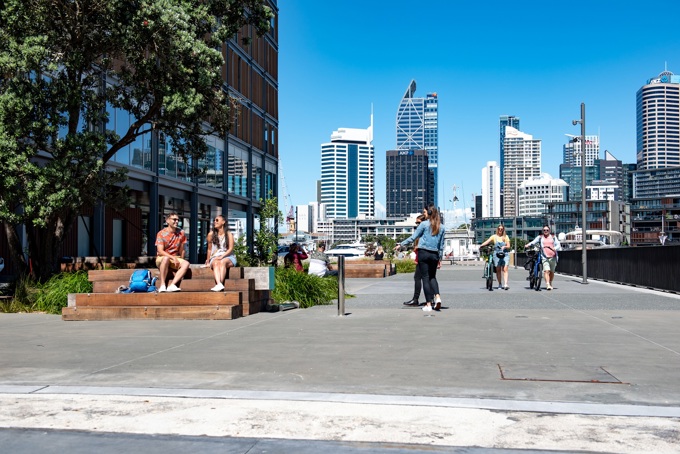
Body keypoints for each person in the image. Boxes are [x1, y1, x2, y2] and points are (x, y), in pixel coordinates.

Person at [395, 206, 445, 312]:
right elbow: (441, 245)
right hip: (434, 254)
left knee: (425, 278)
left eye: (425, 212)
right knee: (432, 277)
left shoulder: (424, 224)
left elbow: (413, 237)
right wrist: (440, 258)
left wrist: (401, 244)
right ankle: (437, 297)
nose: (424, 214)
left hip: (424, 253)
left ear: (429, 212)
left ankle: (428, 304)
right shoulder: (442, 227)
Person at [155, 212, 190, 292]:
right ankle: (162, 285)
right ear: (167, 221)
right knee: (166, 258)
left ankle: (172, 285)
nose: (176, 221)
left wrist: (181, 260)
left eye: (178, 220)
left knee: (186, 263)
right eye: (174, 219)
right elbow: (160, 251)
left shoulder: (181, 233)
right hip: (162, 258)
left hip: (175, 258)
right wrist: (172, 257)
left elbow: (182, 249)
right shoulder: (161, 233)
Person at [205, 215, 237, 292]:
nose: (215, 222)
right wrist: (208, 260)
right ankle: (219, 284)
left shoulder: (229, 234)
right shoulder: (211, 234)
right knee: (216, 263)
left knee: (222, 262)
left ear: (223, 222)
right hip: (215, 256)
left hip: (228, 256)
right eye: (214, 220)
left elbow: (230, 249)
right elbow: (209, 249)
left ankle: (220, 284)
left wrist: (221, 256)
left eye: (217, 220)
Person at [525, 224, 561, 290]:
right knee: (546, 270)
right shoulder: (540, 237)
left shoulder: (553, 237)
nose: (545, 231)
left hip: (553, 256)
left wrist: (554, 248)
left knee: (552, 272)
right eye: (544, 230)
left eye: (547, 230)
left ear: (549, 231)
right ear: (542, 231)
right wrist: (528, 245)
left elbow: (558, 245)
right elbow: (533, 242)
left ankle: (550, 282)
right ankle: (547, 284)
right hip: (544, 256)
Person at [403, 214, 426, 307]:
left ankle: (416, 299)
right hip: (427, 257)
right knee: (428, 278)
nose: (417, 225)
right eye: (416, 223)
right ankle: (431, 299)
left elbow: (413, 240)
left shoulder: (422, 232)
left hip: (422, 257)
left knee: (418, 278)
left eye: (418, 223)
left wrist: (401, 244)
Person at [480, 224, 510, 290]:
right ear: (497, 229)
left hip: (505, 254)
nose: (500, 230)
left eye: (501, 229)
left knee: (505, 269)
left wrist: (504, 246)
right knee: (498, 269)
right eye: (499, 229)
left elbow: (508, 246)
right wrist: (481, 245)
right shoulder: (494, 236)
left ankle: (506, 284)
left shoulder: (506, 237)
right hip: (496, 254)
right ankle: (500, 283)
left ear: (503, 230)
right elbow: (487, 241)